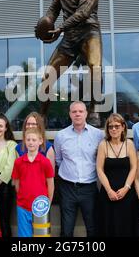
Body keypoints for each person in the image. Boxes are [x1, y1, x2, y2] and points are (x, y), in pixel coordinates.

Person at [38, 0, 103, 125]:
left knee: (95, 67)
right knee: (47, 76)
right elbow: (54, 9)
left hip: (89, 32)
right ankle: (42, 115)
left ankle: (95, 109)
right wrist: (47, 23)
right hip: (70, 36)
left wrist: (59, 29)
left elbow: (82, 13)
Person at [54, 101, 104, 237]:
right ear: (70, 114)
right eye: (74, 111)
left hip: (89, 188)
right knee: (66, 229)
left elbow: (100, 159)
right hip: (67, 188)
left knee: (92, 228)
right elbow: (58, 159)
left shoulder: (98, 135)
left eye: (81, 111)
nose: (77, 114)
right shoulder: (61, 136)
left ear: (86, 114)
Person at [96, 113, 139, 237]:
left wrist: (126, 188)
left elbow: (134, 167)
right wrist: (109, 190)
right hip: (108, 194)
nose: (113, 129)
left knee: (127, 226)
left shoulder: (129, 144)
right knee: (109, 226)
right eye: (110, 127)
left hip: (127, 194)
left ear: (123, 127)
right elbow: (99, 169)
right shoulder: (103, 145)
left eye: (116, 126)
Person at [12, 128, 55, 237]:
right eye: (28, 140)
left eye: (34, 140)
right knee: (24, 235)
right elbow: (17, 183)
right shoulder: (18, 162)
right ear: (24, 141)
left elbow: (50, 184)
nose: (31, 142)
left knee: (41, 235)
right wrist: (23, 197)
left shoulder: (45, 162)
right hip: (23, 206)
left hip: (41, 206)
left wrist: (48, 203)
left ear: (40, 141)